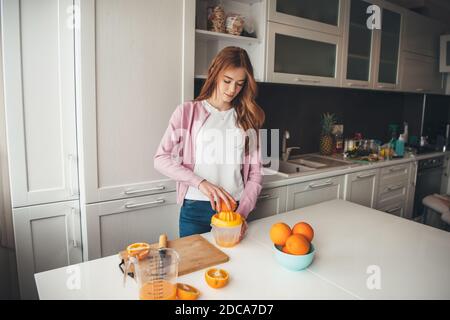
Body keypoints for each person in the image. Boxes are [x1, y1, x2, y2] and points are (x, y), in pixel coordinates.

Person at [154, 46, 265, 239]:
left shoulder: (248, 119)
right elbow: (161, 159)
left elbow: (255, 174)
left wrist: (242, 213)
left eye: (240, 84)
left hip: (234, 208)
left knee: (234, 266)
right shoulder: (187, 112)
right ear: (214, 73)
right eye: (227, 81)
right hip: (195, 208)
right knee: (195, 267)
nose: (232, 90)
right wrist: (201, 183)